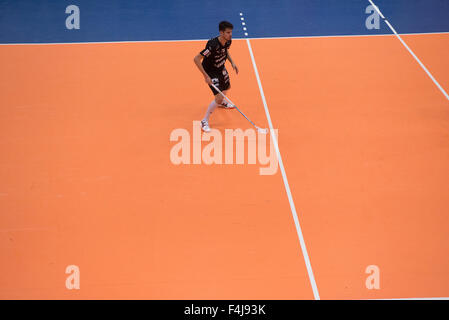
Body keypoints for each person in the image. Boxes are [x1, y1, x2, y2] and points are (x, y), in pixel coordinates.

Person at [193, 21, 239, 132]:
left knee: (227, 87)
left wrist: (232, 62)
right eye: (228, 32)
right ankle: (204, 121)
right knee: (218, 97)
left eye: (231, 32)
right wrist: (206, 76)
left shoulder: (228, 41)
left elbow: (225, 51)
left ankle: (222, 102)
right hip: (210, 71)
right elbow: (196, 59)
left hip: (220, 68)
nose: (230, 34)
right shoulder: (212, 45)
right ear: (221, 32)